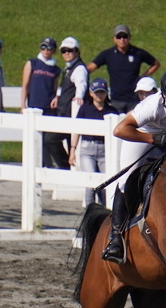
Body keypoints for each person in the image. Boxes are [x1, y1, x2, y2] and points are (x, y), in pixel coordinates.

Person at [101, 66, 166, 264]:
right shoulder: (152, 105)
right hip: (143, 136)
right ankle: (115, 238)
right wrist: (153, 138)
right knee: (126, 181)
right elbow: (120, 130)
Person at [87, 25, 160, 113]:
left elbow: (156, 64)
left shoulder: (138, 53)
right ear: (114, 39)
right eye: (119, 37)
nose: (122, 39)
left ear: (129, 38)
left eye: (125, 36)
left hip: (134, 100)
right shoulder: (108, 54)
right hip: (116, 100)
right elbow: (90, 68)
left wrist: (144, 76)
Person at [68, 78, 119, 206]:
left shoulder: (112, 111)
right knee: (90, 183)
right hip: (87, 149)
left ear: (106, 93)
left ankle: (104, 213)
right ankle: (90, 213)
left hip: (105, 150)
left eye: (102, 92)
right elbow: (77, 130)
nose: (99, 95)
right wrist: (73, 149)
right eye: (97, 92)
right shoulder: (85, 109)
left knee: (105, 184)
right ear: (91, 93)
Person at [20, 37, 67, 169]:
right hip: (34, 105)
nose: (46, 51)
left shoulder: (55, 69)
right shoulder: (32, 63)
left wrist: (56, 98)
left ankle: (47, 165)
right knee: (35, 138)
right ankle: (40, 164)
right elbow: (25, 85)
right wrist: (23, 105)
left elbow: (54, 88)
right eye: (43, 47)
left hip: (48, 107)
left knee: (47, 138)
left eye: (49, 48)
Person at [50, 37, 88, 166]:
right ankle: (67, 166)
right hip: (65, 111)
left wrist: (79, 97)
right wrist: (59, 97)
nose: (66, 53)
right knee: (65, 141)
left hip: (70, 113)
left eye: (70, 50)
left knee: (50, 139)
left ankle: (65, 166)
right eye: (64, 50)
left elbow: (81, 84)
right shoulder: (69, 68)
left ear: (77, 52)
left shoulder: (79, 68)